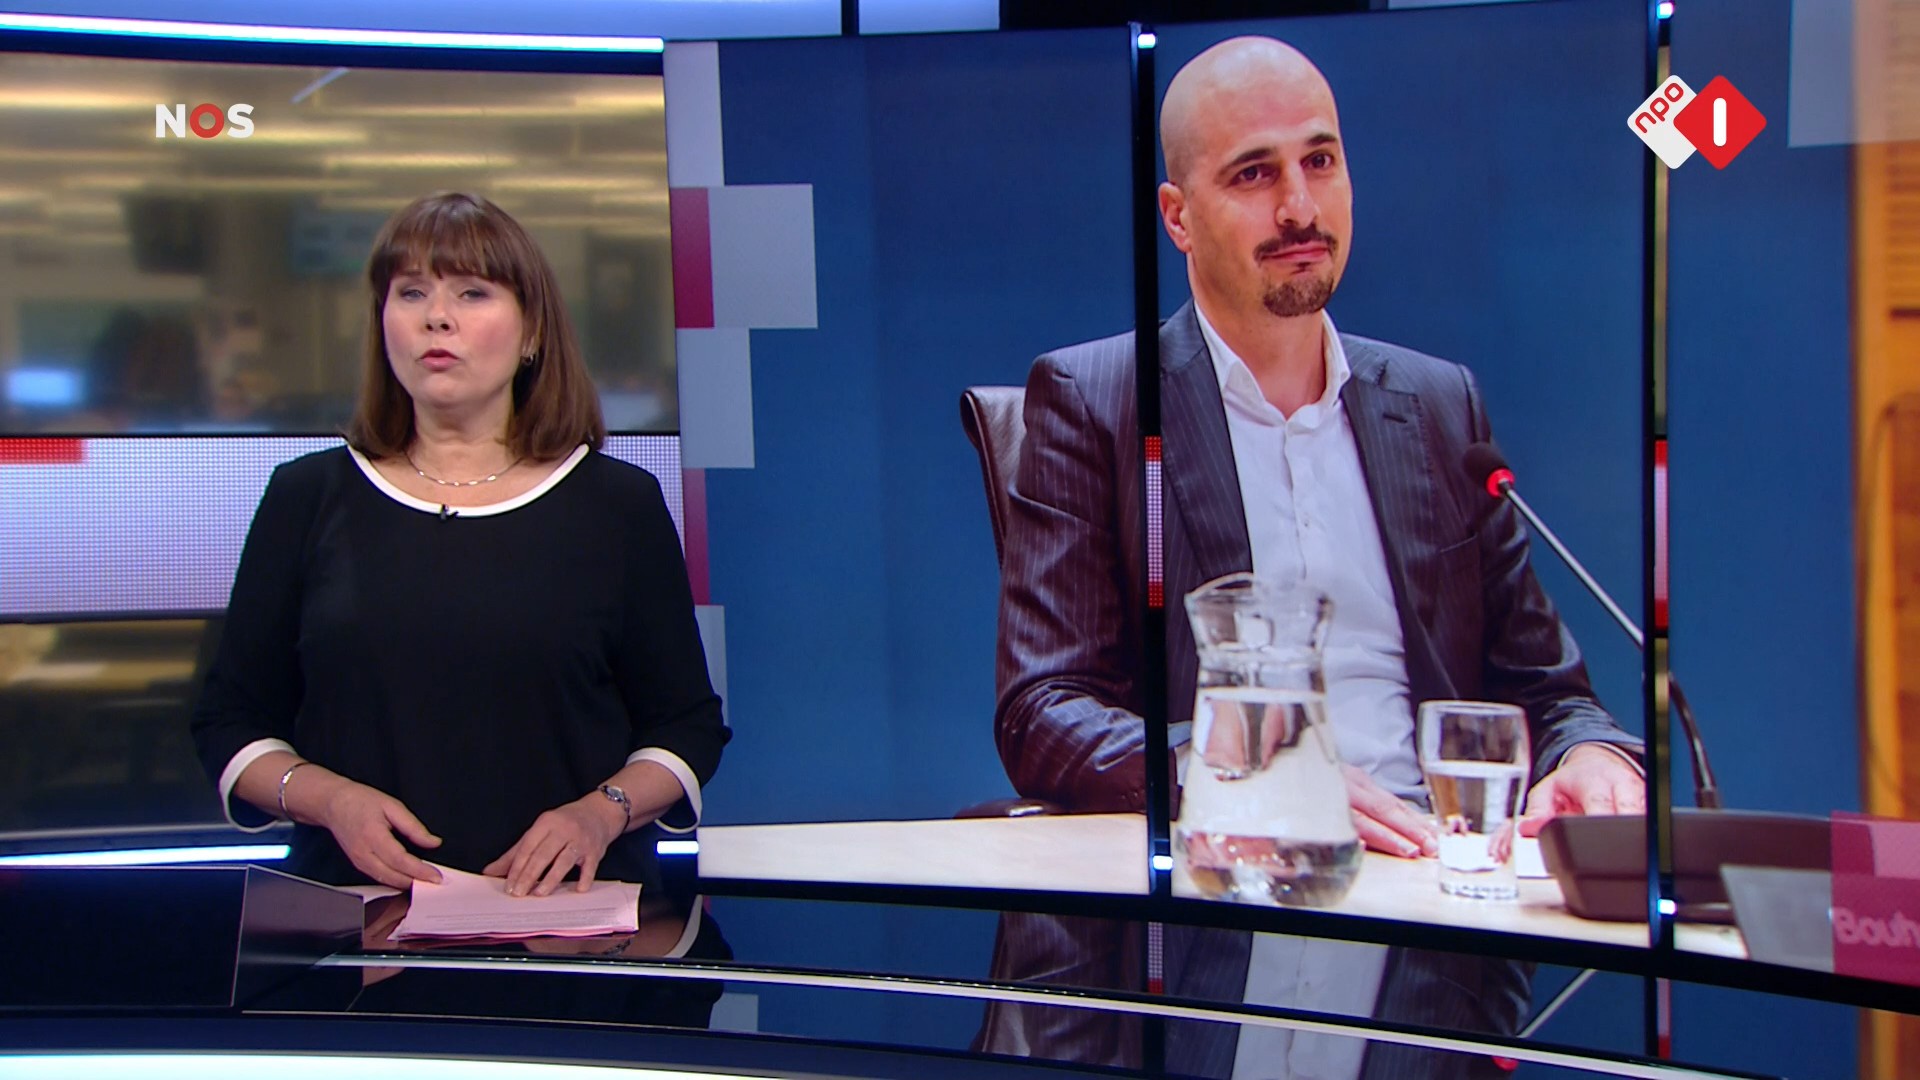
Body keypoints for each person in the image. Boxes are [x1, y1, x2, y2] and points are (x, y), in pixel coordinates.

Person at [986, 38, 1645, 1079]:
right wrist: (1258, 778)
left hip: (1445, 919)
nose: (1300, 206)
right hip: (1217, 917)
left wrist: (1592, 762)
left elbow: (1550, 690)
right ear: (1178, 217)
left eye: (1321, 161)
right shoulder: (1100, 403)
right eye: (1254, 174)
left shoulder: (1438, 406)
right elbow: (1043, 709)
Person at [190, 191, 727, 911]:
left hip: (569, 921)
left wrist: (601, 814)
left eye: (472, 293)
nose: (436, 318)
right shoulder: (307, 496)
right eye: (411, 292)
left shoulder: (616, 504)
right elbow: (230, 720)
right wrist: (329, 799)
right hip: (353, 920)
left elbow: (687, 725)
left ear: (532, 330)